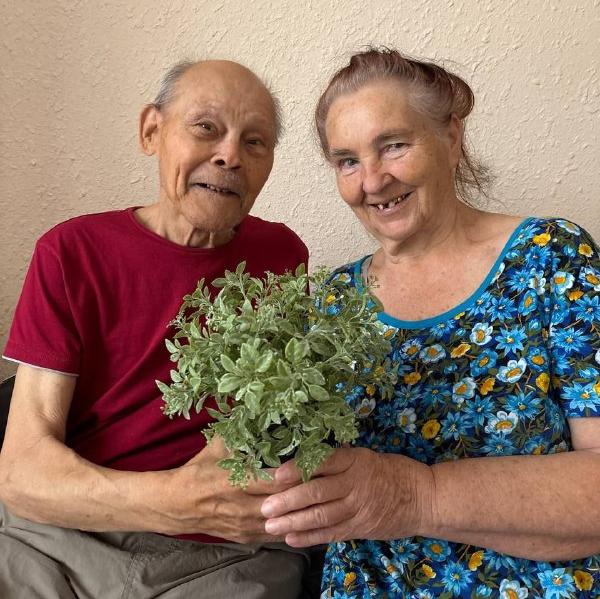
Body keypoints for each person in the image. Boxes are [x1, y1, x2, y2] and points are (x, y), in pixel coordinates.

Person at [260, 48, 600, 598]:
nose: (372, 181)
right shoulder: (331, 305)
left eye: (393, 145)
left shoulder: (550, 257)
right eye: (347, 161)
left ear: (451, 136)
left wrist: (417, 495)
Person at [0, 59, 313, 598]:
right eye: (206, 128)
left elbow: (271, 417)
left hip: (223, 557)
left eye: (255, 142)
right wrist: (177, 500)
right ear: (151, 131)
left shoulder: (282, 257)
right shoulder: (71, 252)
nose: (230, 156)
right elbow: (22, 475)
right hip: (61, 537)